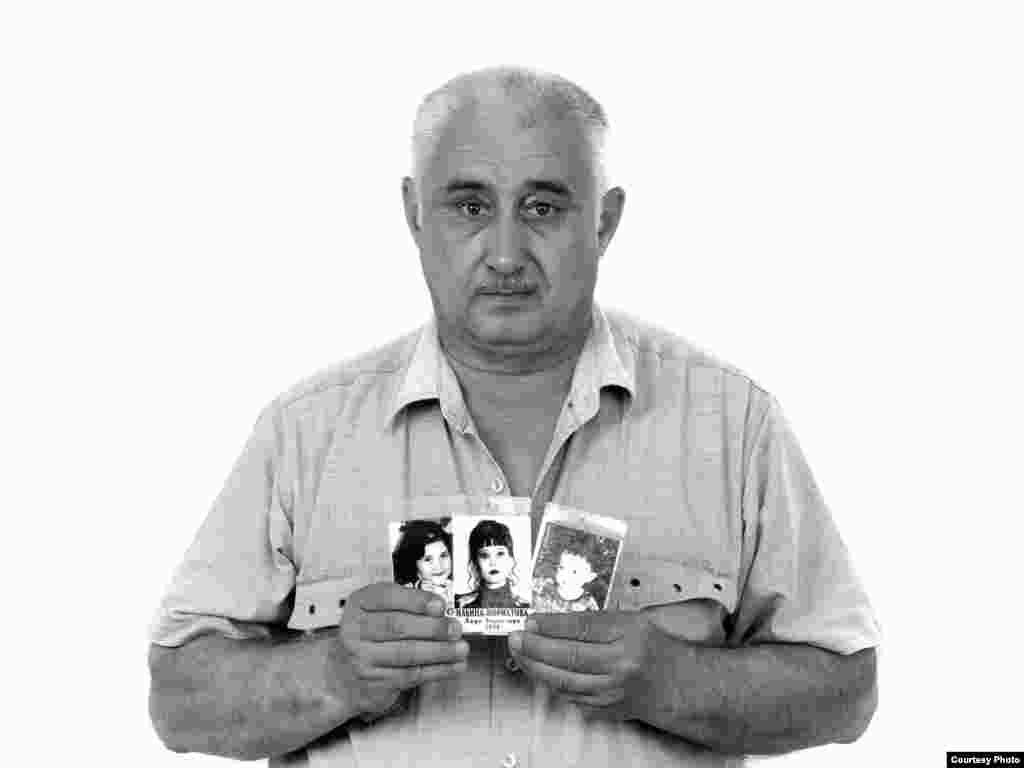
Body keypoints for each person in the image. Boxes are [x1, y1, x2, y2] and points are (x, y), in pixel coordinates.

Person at [148, 65, 880, 767]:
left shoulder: (735, 424)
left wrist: (669, 681)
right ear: (413, 214)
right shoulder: (301, 433)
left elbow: (848, 694)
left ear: (606, 221)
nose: (505, 254)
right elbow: (178, 703)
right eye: (470, 205)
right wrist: (336, 673)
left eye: (543, 207)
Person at [455, 519, 529, 609]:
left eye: (500, 554)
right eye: (484, 555)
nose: (493, 563)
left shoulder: (526, 608)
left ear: (511, 560)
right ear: (475, 563)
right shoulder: (459, 605)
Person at [391, 519, 454, 605]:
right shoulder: (405, 593)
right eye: (428, 559)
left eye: (443, 556)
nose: (438, 566)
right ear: (413, 564)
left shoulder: (460, 590)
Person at [532, 548, 601, 613]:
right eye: (562, 568)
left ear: (590, 577)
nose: (565, 575)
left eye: (574, 572)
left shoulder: (588, 605)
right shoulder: (542, 585)